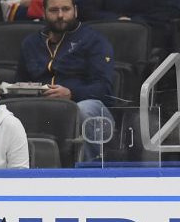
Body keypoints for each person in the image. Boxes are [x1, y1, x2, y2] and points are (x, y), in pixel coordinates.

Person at [16, 0, 115, 162]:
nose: (60, 15)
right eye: (54, 10)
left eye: (66, 9)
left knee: (84, 109)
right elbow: (19, 82)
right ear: (44, 12)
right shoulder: (30, 43)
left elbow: (104, 88)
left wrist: (71, 93)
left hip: (84, 104)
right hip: (40, 105)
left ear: (75, 11)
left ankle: (93, 169)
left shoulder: (94, 40)